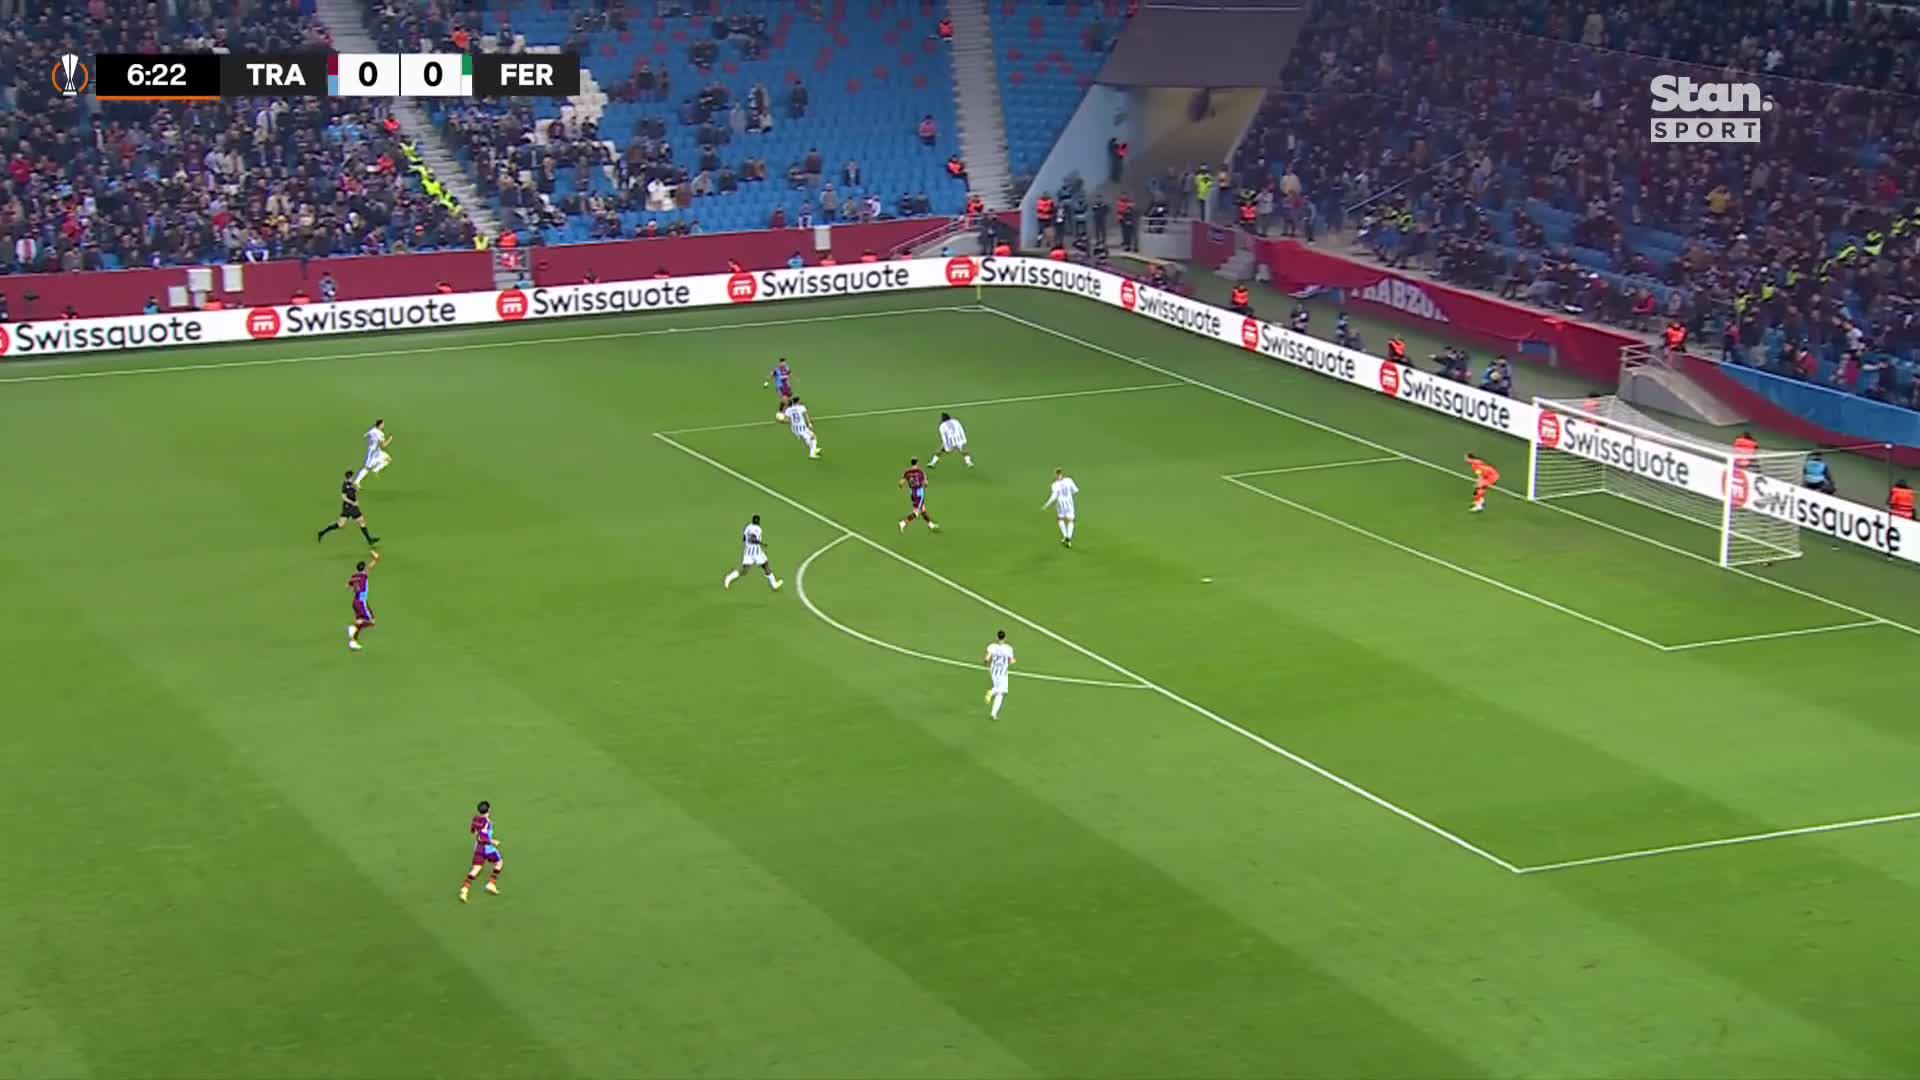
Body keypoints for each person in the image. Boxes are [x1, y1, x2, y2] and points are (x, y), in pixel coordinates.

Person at [317, 470, 380, 546]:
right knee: (361, 520)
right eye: (351, 477)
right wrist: (353, 503)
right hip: (350, 507)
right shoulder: (345, 485)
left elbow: (352, 492)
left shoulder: (351, 484)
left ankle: (322, 533)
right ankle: (369, 540)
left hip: (348, 507)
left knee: (341, 525)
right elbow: (343, 497)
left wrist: (356, 490)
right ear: (350, 477)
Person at [723, 514, 783, 590]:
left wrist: (748, 544)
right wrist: (761, 543)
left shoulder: (748, 527)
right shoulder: (758, 529)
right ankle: (774, 585)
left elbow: (744, 538)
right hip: (756, 553)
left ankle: (729, 577)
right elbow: (752, 538)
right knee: (765, 566)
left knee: (745, 570)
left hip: (748, 552)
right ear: (759, 521)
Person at [459, 800, 502, 903]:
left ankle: (464, 889)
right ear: (489, 809)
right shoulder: (486, 823)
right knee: (499, 863)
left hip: (478, 848)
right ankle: (491, 883)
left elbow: (473, 831)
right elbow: (482, 838)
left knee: (476, 868)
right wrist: (493, 841)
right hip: (487, 849)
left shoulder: (476, 819)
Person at [346, 551, 380, 651]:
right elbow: (375, 560)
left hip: (355, 602)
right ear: (364, 568)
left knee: (360, 621)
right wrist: (375, 556)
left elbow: (347, 586)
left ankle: (354, 637)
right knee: (371, 622)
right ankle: (354, 633)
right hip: (361, 602)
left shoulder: (354, 577)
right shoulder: (364, 575)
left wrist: (355, 587)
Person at [1042, 467, 1079, 547]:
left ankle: (1065, 536)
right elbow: (1076, 490)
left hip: (1060, 505)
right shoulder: (1069, 480)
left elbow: (1054, 497)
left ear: (1056, 475)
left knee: (1060, 519)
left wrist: (1047, 505)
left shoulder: (1054, 484)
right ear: (1062, 474)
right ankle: (1068, 538)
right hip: (1069, 504)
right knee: (1071, 520)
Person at [899, 458, 938, 533]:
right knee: (916, 512)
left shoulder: (907, 472)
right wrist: (924, 483)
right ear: (917, 463)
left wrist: (902, 487)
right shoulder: (921, 472)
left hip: (912, 492)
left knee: (923, 510)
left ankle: (930, 524)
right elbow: (926, 484)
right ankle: (903, 523)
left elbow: (900, 483)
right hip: (919, 493)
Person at [983, 629, 1015, 720]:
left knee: (1000, 692)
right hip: (1002, 672)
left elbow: (987, 658)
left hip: (993, 671)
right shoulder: (1008, 648)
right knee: (1001, 692)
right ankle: (992, 692)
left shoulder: (992, 646)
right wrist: (1012, 661)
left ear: (997, 637)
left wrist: (986, 663)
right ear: (1005, 638)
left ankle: (994, 714)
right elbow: (1011, 660)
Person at [354, 419, 393, 485]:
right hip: (373, 452)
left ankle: (375, 470)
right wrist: (389, 439)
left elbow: (365, 436)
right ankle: (356, 481)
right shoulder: (380, 434)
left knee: (388, 459)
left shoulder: (372, 430)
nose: (383, 425)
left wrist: (371, 440)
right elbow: (383, 445)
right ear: (380, 425)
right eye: (383, 424)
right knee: (367, 467)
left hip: (377, 451)